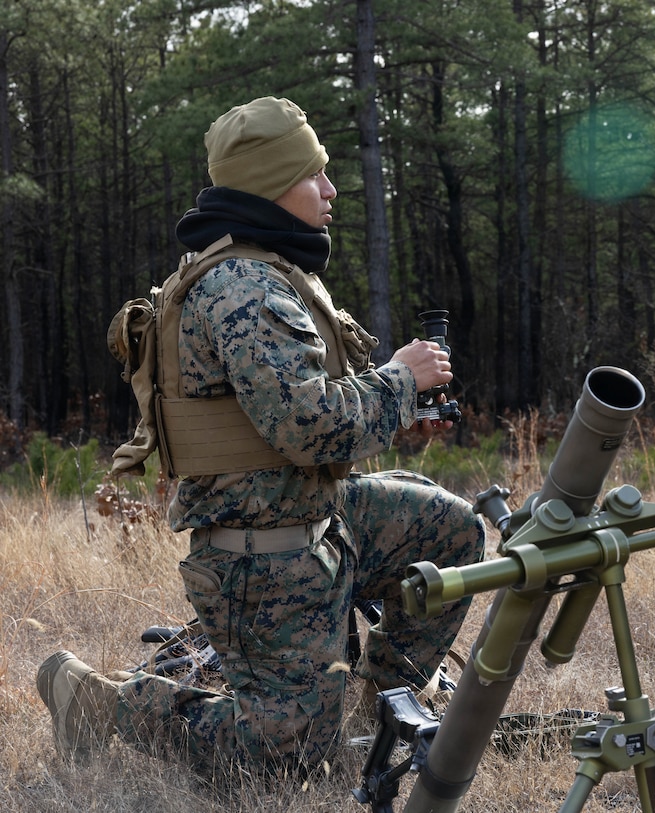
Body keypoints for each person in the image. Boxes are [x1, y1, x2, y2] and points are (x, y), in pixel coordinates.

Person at [36, 96, 485, 776]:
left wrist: (397, 396)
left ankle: (383, 709)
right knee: (290, 763)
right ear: (271, 185)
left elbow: (304, 419)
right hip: (262, 554)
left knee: (451, 532)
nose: (330, 190)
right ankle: (100, 702)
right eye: (314, 176)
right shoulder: (244, 286)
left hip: (314, 516)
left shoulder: (271, 270)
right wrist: (400, 380)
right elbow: (310, 427)